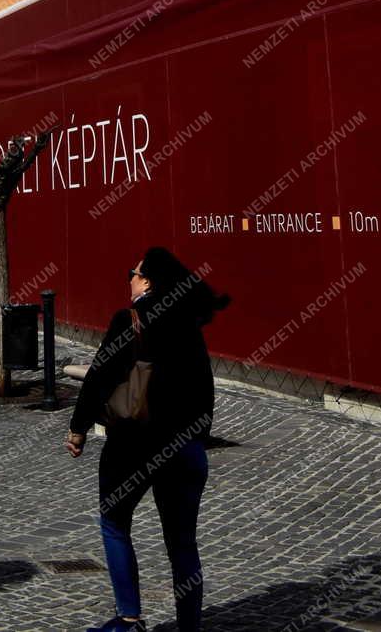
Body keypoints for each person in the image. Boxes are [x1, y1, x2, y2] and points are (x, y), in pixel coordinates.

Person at [67, 248, 229, 632]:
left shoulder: (131, 319)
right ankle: (189, 626)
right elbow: (204, 389)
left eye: (133, 272)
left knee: (114, 522)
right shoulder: (190, 323)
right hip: (185, 448)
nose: (129, 278)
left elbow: (99, 378)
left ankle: (129, 619)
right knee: (183, 544)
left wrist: (78, 429)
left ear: (148, 281)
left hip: (134, 444)